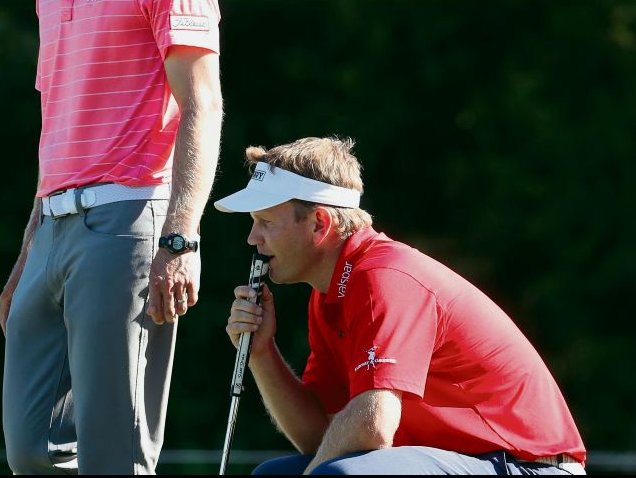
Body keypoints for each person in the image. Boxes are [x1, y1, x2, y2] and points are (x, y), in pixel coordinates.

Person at [215, 137, 586, 475]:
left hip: (531, 467)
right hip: (474, 462)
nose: (253, 238)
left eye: (265, 222)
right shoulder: (330, 294)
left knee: (338, 476)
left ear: (319, 224)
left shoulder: (384, 277)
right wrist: (261, 353)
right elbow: (320, 438)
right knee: (273, 475)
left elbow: (373, 424)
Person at [0, 0, 222, 474]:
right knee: (32, 451)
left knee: (115, 456)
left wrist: (181, 237)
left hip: (127, 217)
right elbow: (58, 130)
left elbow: (202, 101)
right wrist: (27, 253)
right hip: (51, 225)